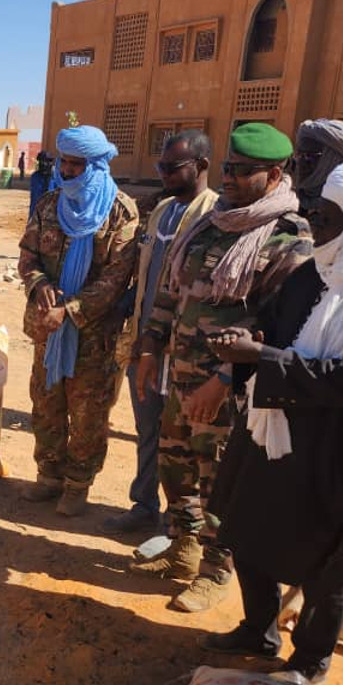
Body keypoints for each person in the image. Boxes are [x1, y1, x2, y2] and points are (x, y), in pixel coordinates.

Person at [201, 163, 343, 683]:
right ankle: (259, 630)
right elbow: (275, 321)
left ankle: (309, 658)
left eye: (325, 218)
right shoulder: (317, 270)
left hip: (342, 449)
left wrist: (262, 357)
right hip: (274, 424)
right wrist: (246, 341)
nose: (313, 225)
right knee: (245, 525)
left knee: (328, 557)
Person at [130, 123, 312, 612]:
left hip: (230, 389)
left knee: (221, 483)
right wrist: (150, 347)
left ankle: (216, 569)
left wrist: (224, 378)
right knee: (177, 467)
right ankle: (183, 550)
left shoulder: (287, 239)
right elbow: (171, 291)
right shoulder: (211, 222)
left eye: (242, 171)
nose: (229, 178)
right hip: (182, 372)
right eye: (228, 168)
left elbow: (280, 327)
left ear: (274, 175)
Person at [18, 125, 138, 515]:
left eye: (76, 165)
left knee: (87, 413)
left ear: (96, 165)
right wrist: (39, 286)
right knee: (46, 403)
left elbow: (115, 280)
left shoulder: (120, 211)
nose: (67, 171)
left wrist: (68, 311)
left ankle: (77, 483)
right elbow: (28, 257)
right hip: (47, 330)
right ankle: (49, 476)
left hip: (92, 336)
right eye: (64, 163)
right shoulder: (49, 205)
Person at [104, 130, 218, 535]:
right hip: (147, 344)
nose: (164, 174)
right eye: (161, 166)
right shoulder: (161, 211)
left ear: (201, 166)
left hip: (186, 352)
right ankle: (144, 505)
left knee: (184, 440)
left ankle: (181, 523)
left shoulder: (215, 216)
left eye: (173, 167)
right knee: (147, 427)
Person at [291, 118, 343, 205]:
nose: (301, 162)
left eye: (310, 156)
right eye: (299, 155)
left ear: (334, 161)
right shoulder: (285, 201)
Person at [28, 151, 56, 219]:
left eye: (48, 161)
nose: (45, 164)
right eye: (42, 161)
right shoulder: (35, 177)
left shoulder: (57, 178)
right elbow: (34, 197)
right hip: (35, 214)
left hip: (51, 216)